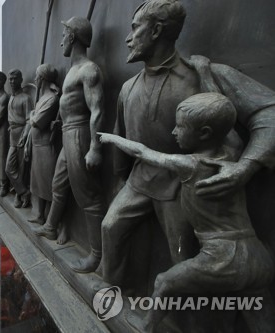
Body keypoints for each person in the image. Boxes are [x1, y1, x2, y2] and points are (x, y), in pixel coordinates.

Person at [101, 0, 275, 286]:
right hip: (141, 178)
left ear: (156, 30)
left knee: (181, 255)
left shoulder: (203, 74)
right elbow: (122, 140)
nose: (127, 37)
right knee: (110, 226)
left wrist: (246, 167)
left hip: (184, 184)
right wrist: (121, 179)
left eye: (135, 28)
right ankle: (112, 294)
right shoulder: (127, 88)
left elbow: (269, 111)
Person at [99, 92, 275, 332]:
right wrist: (204, 74)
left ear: (204, 133)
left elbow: (142, 152)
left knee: (164, 282)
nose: (173, 132)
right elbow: (228, 125)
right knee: (261, 322)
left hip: (223, 255)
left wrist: (111, 138)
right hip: (258, 256)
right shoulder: (234, 153)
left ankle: (145, 327)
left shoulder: (190, 165)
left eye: (180, 127)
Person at [34, 17, 107, 273]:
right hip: (67, 133)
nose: (62, 40)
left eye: (64, 34)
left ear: (73, 37)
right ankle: (51, 225)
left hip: (79, 136)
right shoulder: (73, 72)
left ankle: (97, 256)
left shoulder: (89, 70)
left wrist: (95, 148)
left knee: (89, 198)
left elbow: (97, 110)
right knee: (58, 185)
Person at [26, 64, 60, 225]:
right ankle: (39, 214)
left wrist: (32, 115)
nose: (35, 79)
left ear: (42, 79)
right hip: (36, 145)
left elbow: (37, 122)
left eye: (37, 77)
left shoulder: (52, 99)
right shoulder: (42, 99)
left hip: (46, 147)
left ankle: (53, 219)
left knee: (47, 183)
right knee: (37, 182)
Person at [5, 69, 34, 208]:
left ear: (20, 80)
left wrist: (25, 135)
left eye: (15, 78)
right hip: (13, 135)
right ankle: (23, 192)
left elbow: (30, 120)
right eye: (10, 79)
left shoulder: (26, 98)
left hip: (22, 133)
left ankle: (19, 195)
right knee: (9, 168)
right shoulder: (11, 97)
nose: (12, 81)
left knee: (22, 169)